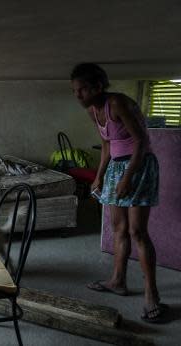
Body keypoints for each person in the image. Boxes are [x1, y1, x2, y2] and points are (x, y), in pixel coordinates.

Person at [70, 63, 166, 323]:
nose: (78, 95)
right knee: (118, 228)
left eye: (82, 90)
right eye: (76, 91)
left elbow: (142, 142)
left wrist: (127, 177)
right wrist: (100, 175)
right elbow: (106, 144)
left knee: (138, 232)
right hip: (115, 166)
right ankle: (117, 281)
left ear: (98, 86)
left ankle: (151, 293)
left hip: (139, 166)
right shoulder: (93, 110)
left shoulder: (118, 103)